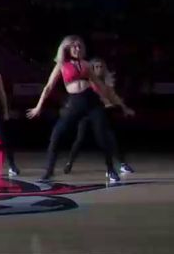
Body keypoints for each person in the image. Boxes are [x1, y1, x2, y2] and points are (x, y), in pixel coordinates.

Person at [27, 36, 133, 183]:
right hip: (75, 102)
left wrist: (113, 102)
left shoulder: (86, 65)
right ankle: (48, 172)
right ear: (67, 48)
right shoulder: (61, 65)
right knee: (57, 135)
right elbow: (48, 87)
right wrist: (38, 106)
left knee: (102, 136)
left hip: (91, 101)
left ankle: (111, 169)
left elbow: (100, 86)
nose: (77, 49)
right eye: (74, 46)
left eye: (79, 46)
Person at [63, 58, 135, 174]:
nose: (99, 69)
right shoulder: (87, 81)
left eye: (101, 67)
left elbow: (113, 96)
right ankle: (69, 162)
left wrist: (124, 108)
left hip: (99, 114)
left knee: (109, 138)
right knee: (80, 139)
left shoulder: (106, 82)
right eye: (96, 67)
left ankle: (121, 164)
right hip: (86, 114)